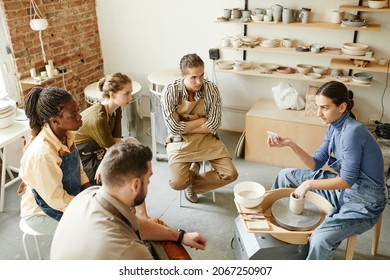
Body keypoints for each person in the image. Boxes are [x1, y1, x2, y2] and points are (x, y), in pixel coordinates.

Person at [267, 81, 386, 260]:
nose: (318, 113)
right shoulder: (333, 126)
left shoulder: (352, 132)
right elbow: (315, 163)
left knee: (320, 239)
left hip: (364, 202)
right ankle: (284, 242)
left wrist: (308, 184)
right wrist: (291, 144)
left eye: (324, 108)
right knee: (285, 176)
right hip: (341, 191)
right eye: (318, 107)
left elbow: (347, 180)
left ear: (342, 107)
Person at [50, 142, 207, 260]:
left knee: (156, 224)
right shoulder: (129, 250)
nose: (150, 183)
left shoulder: (88, 195)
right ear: (136, 184)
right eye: (148, 178)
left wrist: (180, 236)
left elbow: (137, 223)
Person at [160, 53, 238, 203]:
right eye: (193, 77)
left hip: (206, 139)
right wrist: (202, 120)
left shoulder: (211, 89)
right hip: (179, 141)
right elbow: (174, 129)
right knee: (177, 183)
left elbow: (214, 125)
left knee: (230, 174)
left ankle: (193, 184)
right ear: (183, 75)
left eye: (202, 75)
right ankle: (191, 175)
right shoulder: (170, 92)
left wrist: (184, 125)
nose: (199, 81)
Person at [74, 72, 148, 218]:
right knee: (127, 172)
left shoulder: (116, 109)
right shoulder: (98, 118)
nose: (130, 98)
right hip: (84, 160)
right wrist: (103, 164)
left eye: (130, 93)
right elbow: (114, 149)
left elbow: (117, 142)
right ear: (112, 95)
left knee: (133, 161)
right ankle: (132, 213)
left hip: (102, 152)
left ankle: (139, 213)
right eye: (126, 94)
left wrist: (129, 142)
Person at [19, 87, 90, 235]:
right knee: (89, 230)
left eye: (78, 110)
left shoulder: (66, 135)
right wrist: (89, 206)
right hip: (42, 212)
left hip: (67, 198)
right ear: (56, 120)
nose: (79, 116)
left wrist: (89, 192)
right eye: (74, 114)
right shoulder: (42, 154)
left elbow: (79, 170)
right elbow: (56, 200)